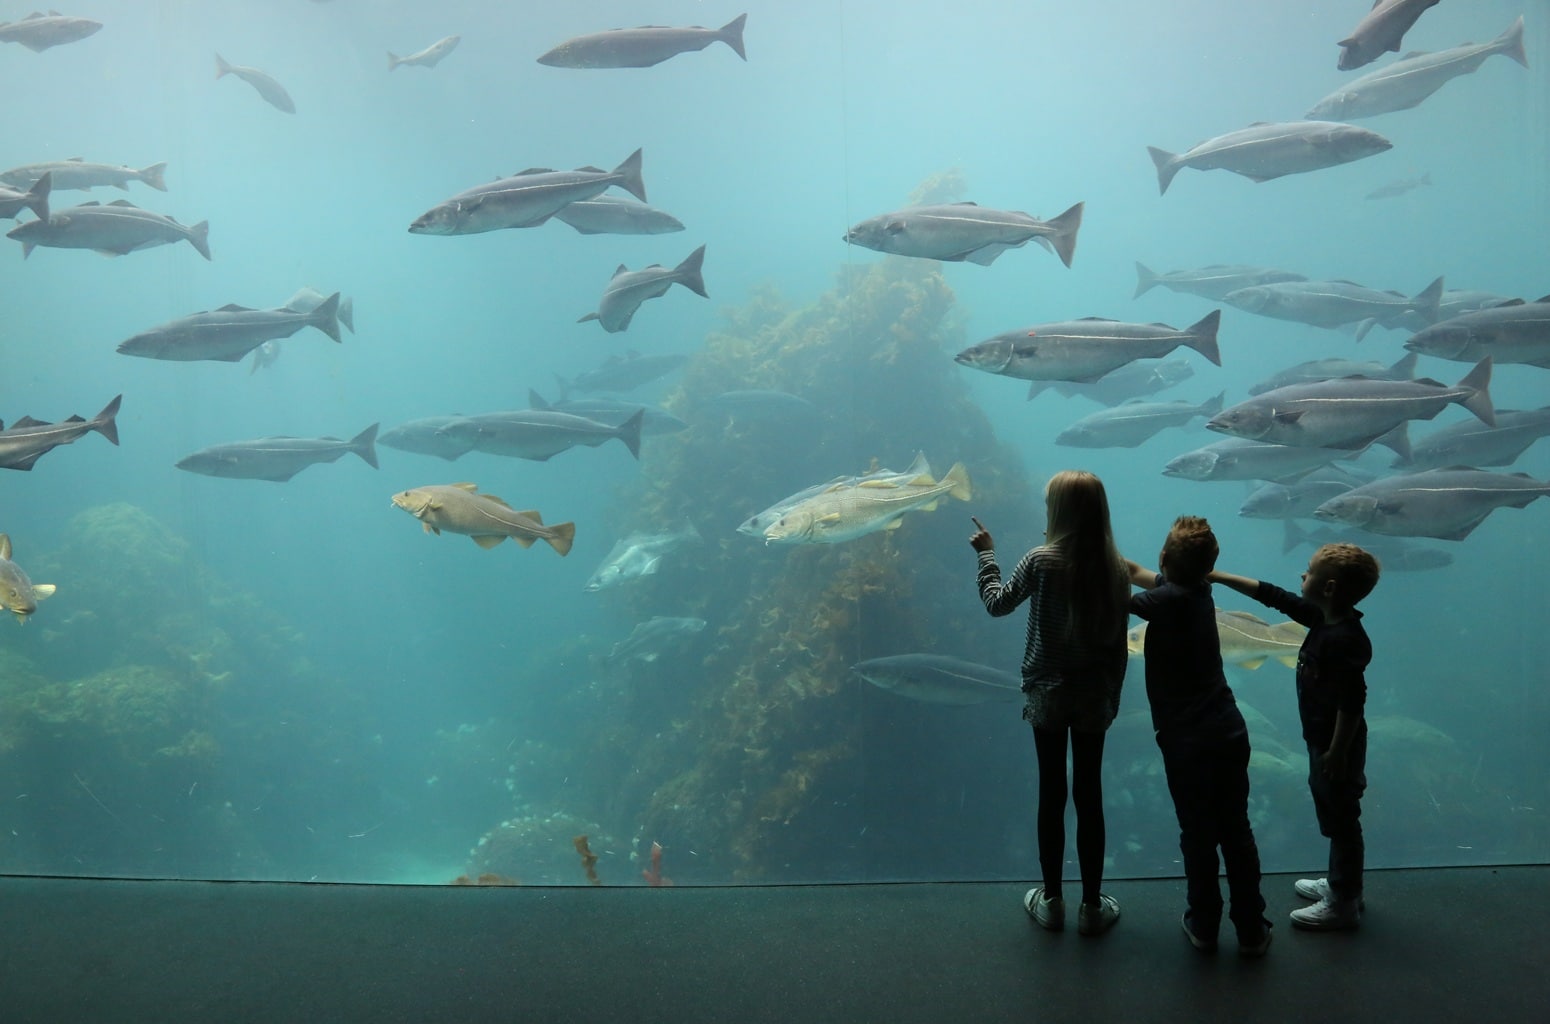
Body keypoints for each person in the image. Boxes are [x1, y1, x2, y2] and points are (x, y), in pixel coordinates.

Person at [970, 470, 1130, 936]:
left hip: (1047, 693)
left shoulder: (1040, 560)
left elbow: (997, 604)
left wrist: (987, 555)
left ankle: (1053, 899)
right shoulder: (1115, 566)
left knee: (1051, 793)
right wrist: (1112, 698)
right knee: (1090, 795)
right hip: (1094, 695)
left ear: (1057, 512)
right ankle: (1093, 906)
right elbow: (1118, 645)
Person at [1210, 542, 1380, 931]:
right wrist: (1219, 576)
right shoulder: (1322, 619)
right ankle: (1342, 882)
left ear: (1329, 587)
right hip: (1323, 739)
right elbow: (1273, 596)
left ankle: (1344, 900)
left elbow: (1352, 703)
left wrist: (1337, 751)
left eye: (1310, 571)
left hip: (1337, 745)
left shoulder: (1344, 639)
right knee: (1335, 813)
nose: (1303, 575)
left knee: (1342, 818)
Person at [1125, 516, 1271, 956]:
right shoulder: (1198, 591)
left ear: (1164, 557)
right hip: (1228, 730)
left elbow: (1117, 596)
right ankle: (1251, 928)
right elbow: (1138, 573)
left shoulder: (1165, 600)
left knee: (1197, 834)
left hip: (1186, 740)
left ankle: (1204, 923)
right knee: (1236, 830)